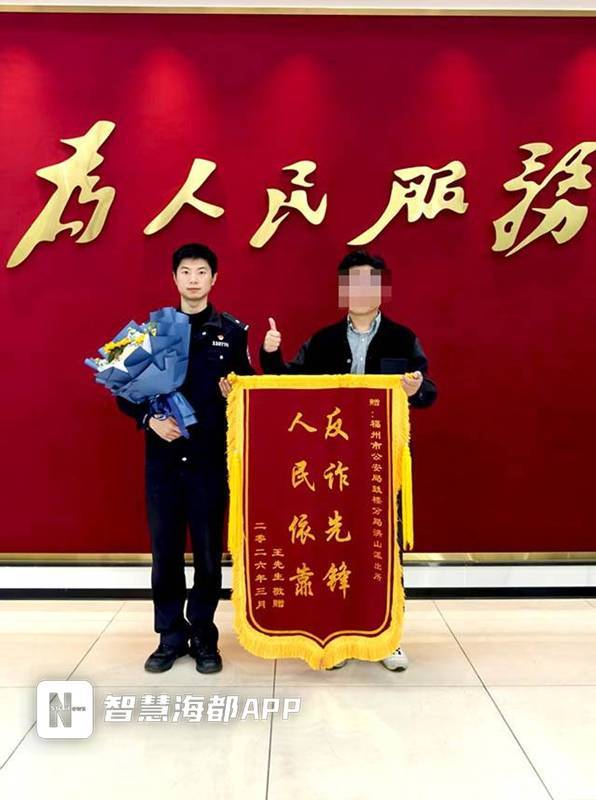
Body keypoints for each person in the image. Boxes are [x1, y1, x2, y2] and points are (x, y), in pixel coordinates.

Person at [259, 249, 437, 672]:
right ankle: (338, 635)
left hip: (379, 462)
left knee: (381, 546)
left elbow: (428, 390)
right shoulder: (322, 341)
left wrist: (416, 389)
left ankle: (387, 636)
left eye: (369, 282)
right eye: (352, 283)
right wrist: (270, 354)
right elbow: (286, 383)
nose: (360, 290)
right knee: (333, 544)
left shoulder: (402, 338)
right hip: (330, 465)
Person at [117, 243, 253, 674]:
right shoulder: (151, 330)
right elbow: (121, 389)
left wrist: (235, 393)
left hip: (210, 461)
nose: (194, 279)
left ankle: (204, 637)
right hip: (163, 462)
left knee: (209, 556)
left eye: (202, 272)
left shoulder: (233, 332)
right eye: (186, 272)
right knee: (166, 554)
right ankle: (170, 637)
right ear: (174, 278)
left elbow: (250, 392)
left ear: (214, 279)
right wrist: (149, 419)